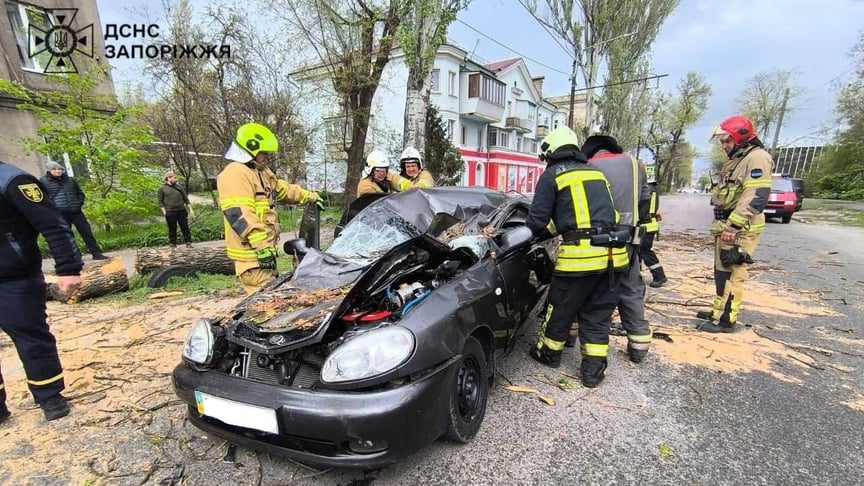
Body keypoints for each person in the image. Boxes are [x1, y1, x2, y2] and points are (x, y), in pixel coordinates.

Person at [524, 126, 629, 388]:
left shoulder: (552, 176)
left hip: (580, 258)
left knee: (560, 306)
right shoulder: (595, 173)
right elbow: (582, 217)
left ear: (550, 152)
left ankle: (548, 354)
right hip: (613, 256)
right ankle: (593, 372)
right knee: (597, 313)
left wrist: (522, 236)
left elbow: (537, 222)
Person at [1, 161, 83, 423]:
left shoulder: (13, 181)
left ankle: (49, 395)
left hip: (14, 279)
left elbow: (53, 225)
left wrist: (68, 268)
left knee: (32, 340)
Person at [218, 122, 321, 295]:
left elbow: (282, 189)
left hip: (262, 255)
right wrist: (261, 246)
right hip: (251, 256)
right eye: (263, 152)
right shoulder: (235, 173)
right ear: (250, 149)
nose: (266, 156)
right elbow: (240, 213)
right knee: (265, 306)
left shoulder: (259, 171)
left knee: (271, 301)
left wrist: (310, 196)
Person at [577, 134, 653, 363]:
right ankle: (639, 346)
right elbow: (645, 198)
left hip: (595, 240)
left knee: (585, 289)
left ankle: (575, 340)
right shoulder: (635, 163)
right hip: (628, 239)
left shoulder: (588, 166)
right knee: (630, 288)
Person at [696, 115, 773, 333]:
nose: (723, 145)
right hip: (726, 225)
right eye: (722, 141)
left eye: (727, 141)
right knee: (721, 272)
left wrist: (733, 226)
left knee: (733, 274)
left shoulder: (757, 158)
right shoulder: (738, 159)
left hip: (739, 229)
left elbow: (755, 195)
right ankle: (717, 312)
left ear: (741, 138)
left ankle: (727, 320)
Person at [40, 161, 108, 260]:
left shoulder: (70, 181)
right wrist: (54, 208)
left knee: (87, 232)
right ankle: (76, 255)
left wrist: (79, 203)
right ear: (49, 170)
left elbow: (80, 193)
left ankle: (96, 253)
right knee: (68, 236)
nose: (58, 171)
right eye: (54, 169)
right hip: (61, 213)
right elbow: (44, 198)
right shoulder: (43, 182)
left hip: (76, 212)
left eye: (59, 169)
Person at [640, 178, 667, 288]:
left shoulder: (646, 189)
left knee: (644, 251)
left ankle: (659, 276)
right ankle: (636, 275)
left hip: (645, 226)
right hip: (647, 225)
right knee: (638, 251)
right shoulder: (651, 188)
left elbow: (641, 209)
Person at [157, 170, 194, 248]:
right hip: (170, 212)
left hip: (181, 210)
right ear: (168, 178)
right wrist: (165, 212)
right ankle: (173, 243)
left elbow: (186, 199)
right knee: (172, 228)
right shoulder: (162, 189)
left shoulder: (179, 187)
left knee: (185, 227)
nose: (176, 179)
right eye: (174, 177)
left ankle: (188, 242)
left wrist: (191, 209)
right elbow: (160, 201)